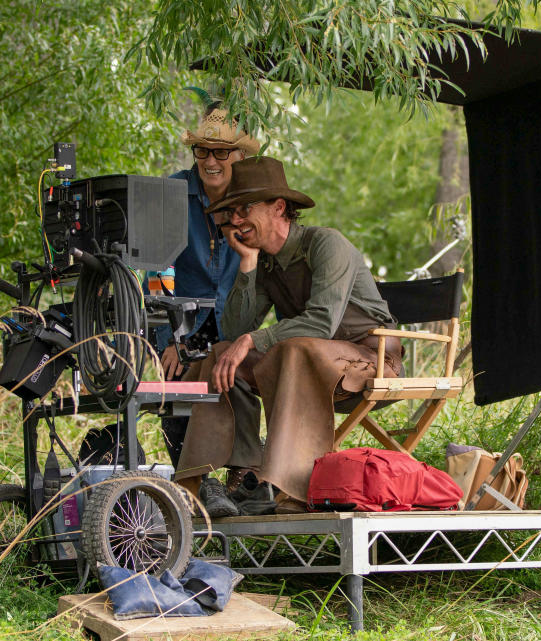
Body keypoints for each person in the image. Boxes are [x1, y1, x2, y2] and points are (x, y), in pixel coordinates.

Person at [174, 156, 403, 513]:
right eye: (231, 211)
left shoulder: (326, 244)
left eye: (244, 207)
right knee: (223, 353)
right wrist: (247, 266)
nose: (235, 219)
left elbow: (322, 322)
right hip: (308, 365)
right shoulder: (266, 263)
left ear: (279, 207)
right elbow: (235, 332)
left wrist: (252, 341)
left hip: (373, 363)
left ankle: (292, 489)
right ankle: (243, 476)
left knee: (293, 349)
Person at [153, 103, 259, 472]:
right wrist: (174, 339)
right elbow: (158, 273)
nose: (210, 161)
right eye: (202, 150)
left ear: (240, 155)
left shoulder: (252, 201)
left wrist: (204, 344)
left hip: (232, 326)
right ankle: (197, 483)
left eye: (221, 152)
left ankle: (244, 478)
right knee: (174, 380)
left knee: (236, 372)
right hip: (178, 327)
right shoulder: (172, 192)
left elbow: (254, 286)